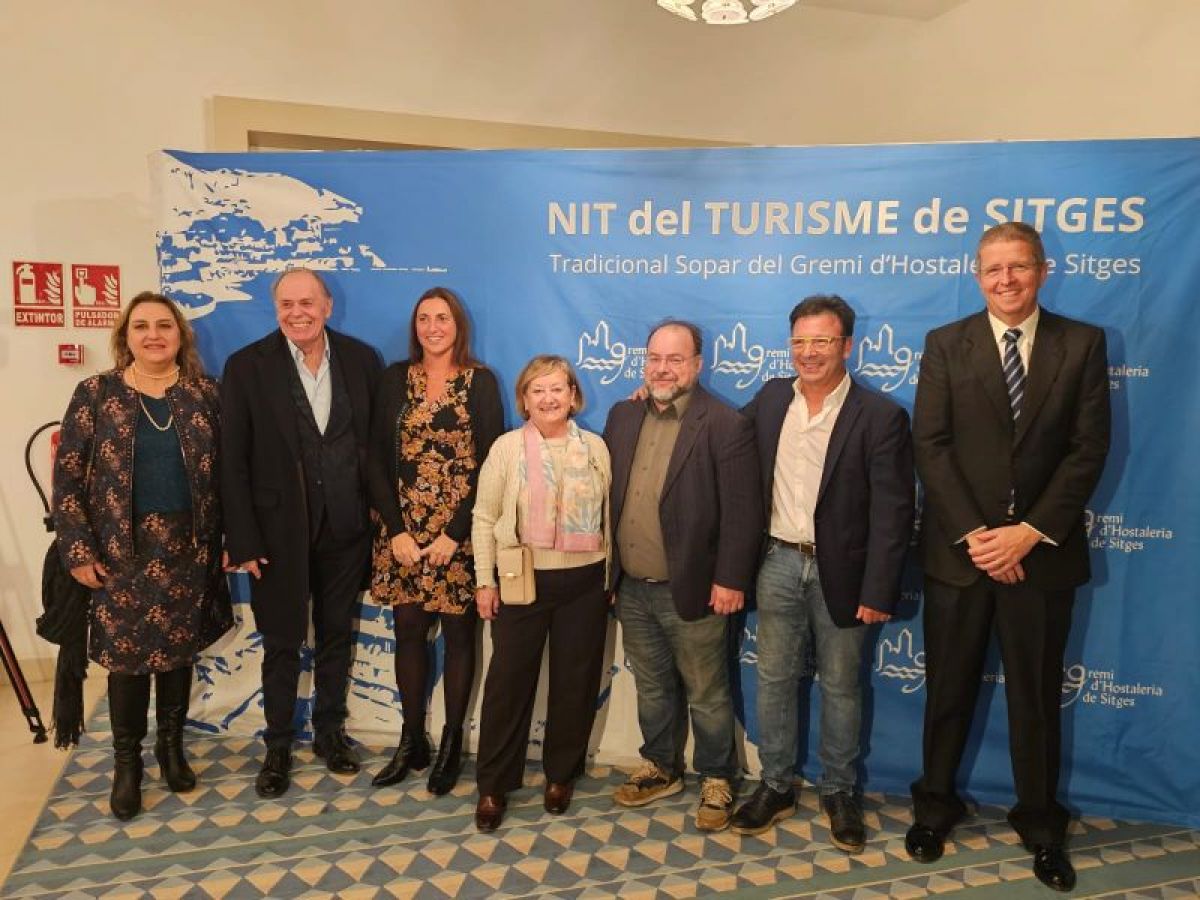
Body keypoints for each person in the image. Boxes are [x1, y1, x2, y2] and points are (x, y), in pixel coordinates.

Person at [906, 222, 1110, 892]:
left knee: (1036, 700)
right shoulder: (946, 344)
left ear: (1043, 271)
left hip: (1041, 558)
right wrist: (979, 534)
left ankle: (1042, 827)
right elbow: (931, 446)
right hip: (961, 558)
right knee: (948, 693)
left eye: (1018, 267)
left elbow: (1088, 449)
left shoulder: (1082, 344)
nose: (1006, 280)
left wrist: (1028, 533)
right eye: (993, 269)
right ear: (978, 276)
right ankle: (934, 809)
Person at [731, 295, 914, 849]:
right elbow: (721, 436)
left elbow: (893, 512)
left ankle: (839, 790)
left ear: (847, 346)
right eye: (800, 341)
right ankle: (776, 784)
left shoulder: (879, 415)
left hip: (846, 572)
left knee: (841, 685)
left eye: (822, 341)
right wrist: (654, 399)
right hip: (777, 562)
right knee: (773, 679)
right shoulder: (770, 398)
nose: (808, 352)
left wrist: (878, 588)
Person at [53, 291, 233, 820]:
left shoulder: (206, 395)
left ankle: (171, 749)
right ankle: (126, 765)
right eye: (141, 326)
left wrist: (232, 540)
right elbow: (67, 478)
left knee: (178, 655)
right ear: (125, 336)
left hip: (189, 550)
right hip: (120, 553)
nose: (153, 335)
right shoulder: (96, 393)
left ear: (180, 335)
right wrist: (78, 550)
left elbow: (230, 476)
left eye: (164, 326)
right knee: (128, 662)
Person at [221, 266, 383, 798]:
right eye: (287, 304)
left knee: (337, 636)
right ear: (276, 310)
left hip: (346, 529)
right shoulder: (246, 366)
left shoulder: (361, 360)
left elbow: (373, 447)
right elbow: (232, 461)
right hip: (275, 536)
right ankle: (277, 746)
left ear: (327, 306)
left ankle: (330, 733)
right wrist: (243, 540)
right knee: (282, 644)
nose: (297, 313)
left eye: (307, 303)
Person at [604, 320, 762, 833]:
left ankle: (717, 777)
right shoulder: (623, 415)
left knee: (707, 693)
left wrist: (730, 579)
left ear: (697, 364)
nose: (663, 369)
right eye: (655, 358)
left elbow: (743, 513)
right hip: (632, 587)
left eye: (675, 359)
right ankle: (660, 767)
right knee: (652, 688)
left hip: (692, 588)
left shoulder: (724, 423)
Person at [366, 287, 503, 794]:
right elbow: (374, 459)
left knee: (460, 637)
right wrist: (396, 530)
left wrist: (455, 533)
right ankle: (411, 741)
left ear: (457, 324)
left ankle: (451, 742)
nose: (432, 327)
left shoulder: (480, 382)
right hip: (403, 534)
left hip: (459, 536)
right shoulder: (393, 379)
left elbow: (490, 465)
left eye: (442, 318)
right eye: (423, 318)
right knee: (408, 632)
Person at [470, 356, 611, 832]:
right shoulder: (507, 448)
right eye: (538, 390)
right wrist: (484, 580)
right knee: (507, 685)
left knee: (576, 683)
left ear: (573, 396)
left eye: (557, 389)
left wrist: (610, 578)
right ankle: (493, 785)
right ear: (524, 400)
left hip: (585, 582)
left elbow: (610, 514)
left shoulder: (596, 448)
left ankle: (560, 776)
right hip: (522, 580)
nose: (549, 398)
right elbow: (484, 517)